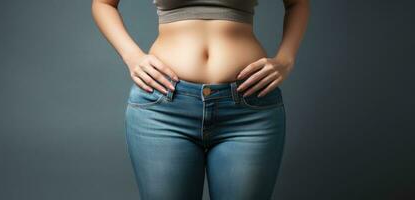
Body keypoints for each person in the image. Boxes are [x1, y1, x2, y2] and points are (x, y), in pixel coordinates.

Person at [91, 0, 309, 199]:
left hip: (248, 113)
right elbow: (103, 3)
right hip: (164, 112)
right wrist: (132, 56)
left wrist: (286, 59)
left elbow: (297, 3)